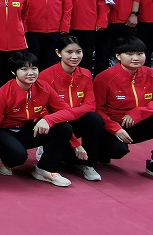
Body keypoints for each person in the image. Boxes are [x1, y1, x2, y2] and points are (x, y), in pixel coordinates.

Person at [93, 36, 153, 184]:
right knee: (117, 151)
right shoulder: (104, 78)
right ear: (118, 56)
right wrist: (115, 128)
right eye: (129, 54)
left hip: (139, 122)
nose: (136, 58)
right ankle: (99, 152)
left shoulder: (152, 74)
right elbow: (96, 109)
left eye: (140, 54)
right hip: (113, 126)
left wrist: (137, 113)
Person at [0, 51, 75, 187]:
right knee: (18, 157)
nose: (31, 73)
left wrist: (48, 119)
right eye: (24, 69)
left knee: (63, 128)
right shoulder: (3, 94)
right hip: (4, 132)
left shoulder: (44, 87)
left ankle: (45, 169)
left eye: (34, 68)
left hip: (26, 128)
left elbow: (68, 112)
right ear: (14, 72)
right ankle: (3, 158)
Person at [38, 35, 105, 182]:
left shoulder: (86, 74)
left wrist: (68, 113)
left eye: (78, 52)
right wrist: (75, 143)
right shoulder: (45, 76)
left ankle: (88, 164)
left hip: (73, 118)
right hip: (55, 122)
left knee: (94, 119)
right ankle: (48, 160)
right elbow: (44, 110)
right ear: (58, 53)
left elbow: (90, 105)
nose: (75, 56)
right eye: (69, 52)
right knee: (63, 128)